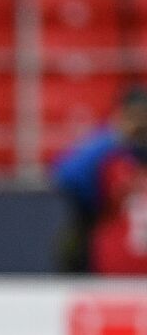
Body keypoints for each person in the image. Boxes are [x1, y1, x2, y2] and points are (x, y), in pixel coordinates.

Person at [53, 84, 147, 274]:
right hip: (109, 260)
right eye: (133, 116)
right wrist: (116, 135)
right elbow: (66, 174)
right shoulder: (110, 157)